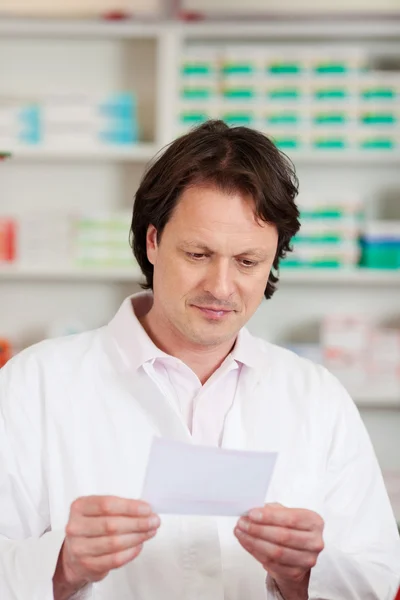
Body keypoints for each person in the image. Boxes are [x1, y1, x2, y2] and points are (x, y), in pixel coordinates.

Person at [0, 120, 399, 600]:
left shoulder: (317, 398)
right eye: (197, 253)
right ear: (153, 241)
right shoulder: (33, 385)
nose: (221, 287)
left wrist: (306, 575)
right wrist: (61, 566)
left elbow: (376, 577)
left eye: (248, 262)